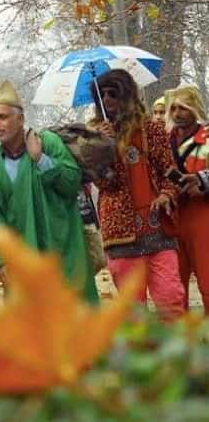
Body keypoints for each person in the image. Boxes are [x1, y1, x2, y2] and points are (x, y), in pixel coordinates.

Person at [0, 80, 98, 303]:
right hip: (23, 259)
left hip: (62, 250)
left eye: (3, 117)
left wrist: (41, 159)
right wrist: (0, 262)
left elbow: (72, 182)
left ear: (21, 119)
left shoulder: (48, 142)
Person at [88, 69, 185, 319]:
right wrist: (104, 147)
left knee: (171, 300)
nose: (107, 99)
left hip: (159, 231)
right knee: (134, 313)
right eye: (103, 96)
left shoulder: (152, 129)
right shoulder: (94, 138)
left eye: (114, 93)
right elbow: (105, 183)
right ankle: (143, 358)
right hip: (120, 237)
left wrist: (166, 193)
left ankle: (175, 357)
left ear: (128, 95)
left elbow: (170, 172)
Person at [165, 84, 209, 311]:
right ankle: (180, 341)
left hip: (202, 217)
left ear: (195, 107)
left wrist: (203, 180)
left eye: (183, 108)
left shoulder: (207, 137)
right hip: (172, 217)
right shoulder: (163, 140)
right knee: (173, 288)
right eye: (173, 109)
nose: (177, 114)